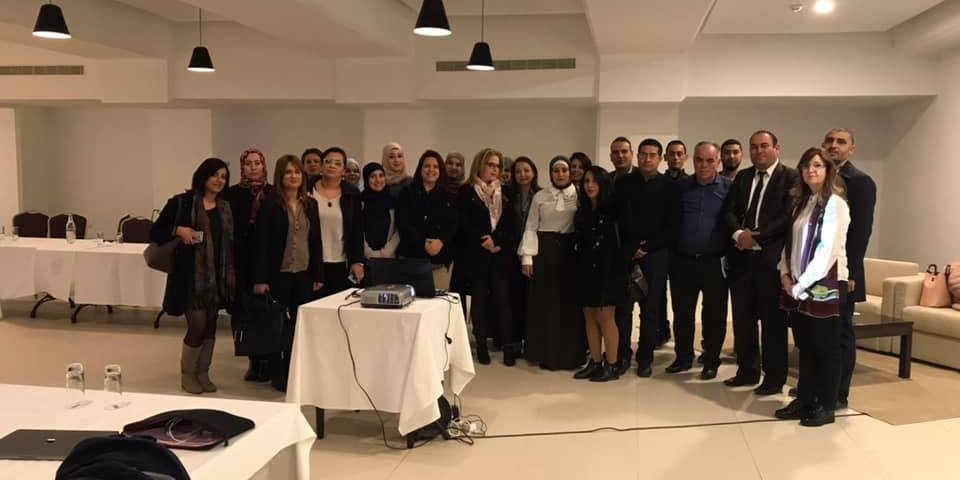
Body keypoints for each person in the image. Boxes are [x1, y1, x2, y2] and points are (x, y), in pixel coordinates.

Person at [774, 147, 850, 427]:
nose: (811, 170)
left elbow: (826, 252)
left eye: (817, 165)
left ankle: (826, 405)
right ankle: (805, 398)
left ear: (828, 170)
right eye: (806, 166)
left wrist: (800, 285)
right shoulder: (801, 203)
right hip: (796, 283)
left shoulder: (835, 205)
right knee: (805, 345)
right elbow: (789, 243)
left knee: (826, 347)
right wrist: (785, 274)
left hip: (823, 284)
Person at [722, 130, 801, 395]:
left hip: (770, 261)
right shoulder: (743, 177)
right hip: (742, 260)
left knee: (772, 322)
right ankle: (747, 371)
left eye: (764, 146)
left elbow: (787, 216)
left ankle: (774, 377)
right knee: (743, 320)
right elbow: (729, 211)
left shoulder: (791, 177)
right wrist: (738, 235)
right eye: (754, 147)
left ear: (777, 148)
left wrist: (754, 237)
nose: (759, 151)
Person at [151, 158, 236, 395]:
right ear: (203, 176)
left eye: (224, 177)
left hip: (216, 277)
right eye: (215, 175)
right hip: (189, 277)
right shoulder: (182, 202)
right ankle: (187, 374)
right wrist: (179, 230)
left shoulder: (225, 207)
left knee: (211, 325)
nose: (219, 180)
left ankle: (203, 372)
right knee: (197, 325)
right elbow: (155, 232)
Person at [252, 155, 324, 392]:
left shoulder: (310, 205)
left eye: (297, 172)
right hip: (278, 274)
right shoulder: (271, 205)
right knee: (278, 325)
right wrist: (261, 279)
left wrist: (318, 275)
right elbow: (261, 244)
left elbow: (315, 241)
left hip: (303, 273)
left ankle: (293, 370)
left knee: (298, 326)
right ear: (280, 176)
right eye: (288, 172)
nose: (293, 176)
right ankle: (277, 372)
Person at [668, 142, 732, 380]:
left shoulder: (729, 188)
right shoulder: (681, 187)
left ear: (718, 162)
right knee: (682, 312)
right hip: (683, 261)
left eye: (709, 160)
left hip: (714, 262)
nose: (703, 165)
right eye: (699, 160)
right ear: (692, 160)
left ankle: (711, 360)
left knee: (714, 314)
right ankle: (683, 357)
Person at [824, 128, 875, 409]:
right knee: (819, 332)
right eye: (830, 141)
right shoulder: (816, 178)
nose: (834, 145)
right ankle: (819, 385)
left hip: (844, 272)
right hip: (818, 271)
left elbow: (860, 233)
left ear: (851, 149)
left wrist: (851, 274)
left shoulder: (861, 182)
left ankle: (839, 393)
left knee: (841, 334)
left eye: (841, 142)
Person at [520, 156, 586, 371]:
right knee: (545, 303)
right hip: (544, 253)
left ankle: (570, 354)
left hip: (570, 253)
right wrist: (527, 257)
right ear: (550, 173)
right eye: (556, 170)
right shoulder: (540, 196)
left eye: (564, 170)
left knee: (568, 304)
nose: (560, 174)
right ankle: (544, 353)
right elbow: (531, 226)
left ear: (570, 173)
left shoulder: (580, 195)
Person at [614, 139, 674, 377]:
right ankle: (622, 355)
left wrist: (647, 248)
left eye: (652, 155)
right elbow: (618, 220)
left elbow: (673, 225)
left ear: (660, 158)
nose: (647, 159)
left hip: (656, 256)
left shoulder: (669, 186)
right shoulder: (624, 184)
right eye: (643, 154)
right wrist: (631, 249)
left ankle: (645, 357)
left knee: (650, 309)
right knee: (623, 308)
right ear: (637, 156)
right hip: (627, 254)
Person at [454, 148, 518, 365]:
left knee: (503, 301)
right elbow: (463, 224)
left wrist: (497, 242)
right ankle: (481, 345)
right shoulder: (466, 192)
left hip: (500, 255)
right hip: (476, 255)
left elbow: (511, 225)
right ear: (480, 165)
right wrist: (484, 241)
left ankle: (508, 345)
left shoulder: (505, 193)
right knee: (479, 301)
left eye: (497, 166)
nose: (495, 169)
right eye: (490, 165)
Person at [224, 148, 272, 383]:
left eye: (257, 163)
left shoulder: (273, 193)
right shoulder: (231, 194)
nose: (253, 167)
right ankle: (252, 360)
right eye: (248, 163)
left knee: (266, 312)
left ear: (264, 166)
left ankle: (267, 360)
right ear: (242, 167)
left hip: (267, 261)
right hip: (239, 262)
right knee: (242, 313)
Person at [573, 166, 624, 382]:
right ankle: (594, 361)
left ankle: (612, 364)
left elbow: (623, 241)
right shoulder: (582, 212)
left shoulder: (615, 210)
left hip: (610, 270)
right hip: (587, 269)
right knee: (590, 316)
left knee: (606, 318)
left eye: (594, 181)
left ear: (603, 184)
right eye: (586, 181)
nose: (589, 185)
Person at [397, 150, 458, 290]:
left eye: (435, 166)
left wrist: (441, 241)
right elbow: (403, 223)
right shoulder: (407, 193)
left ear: (440, 170)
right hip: (411, 259)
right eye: (427, 166)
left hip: (440, 262)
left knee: (438, 302)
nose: (431, 170)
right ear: (420, 169)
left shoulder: (448, 195)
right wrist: (423, 243)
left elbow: (453, 225)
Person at [312, 147, 365, 297]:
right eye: (328, 162)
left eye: (337, 163)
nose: (332, 165)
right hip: (312, 262)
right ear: (321, 166)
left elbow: (356, 230)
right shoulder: (307, 190)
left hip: (340, 261)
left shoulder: (351, 193)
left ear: (343, 171)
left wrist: (357, 261)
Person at [508, 156, 541, 354]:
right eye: (518, 171)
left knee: (532, 300)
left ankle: (532, 342)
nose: (522, 174)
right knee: (515, 300)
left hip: (533, 255)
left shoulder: (542, 195)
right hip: (511, 254)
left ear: (534, 172)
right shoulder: (507, 196)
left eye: (526, 170)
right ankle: (515, 341)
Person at [360, 163, 400, 260]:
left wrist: (386, 252)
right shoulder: (359, 201)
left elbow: (398, 230)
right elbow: (357, 230)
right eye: (373, 176)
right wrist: (370, 253)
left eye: (381, 176)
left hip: (389, 258)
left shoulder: (393, 201)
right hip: (364, 258)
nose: (378, 180)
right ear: (366, 179)